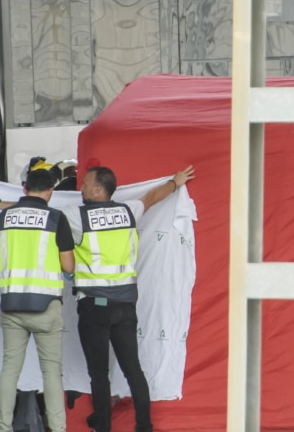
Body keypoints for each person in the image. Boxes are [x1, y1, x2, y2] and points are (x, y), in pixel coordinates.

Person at [68, 164, 195, 432]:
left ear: (98, 188)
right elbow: (151, 198)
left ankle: (102, 424)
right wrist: (175, 182)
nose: (80, 188)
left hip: (94, 307)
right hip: (125, 306)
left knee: (99, 374)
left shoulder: (77, 217)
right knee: (133, 369)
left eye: (85, 183)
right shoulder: (128, 211)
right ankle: (144, 425)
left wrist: (1, 204)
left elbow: (45, 216)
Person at [0, 168, 75, 432]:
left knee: (9, 370)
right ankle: (58, 429)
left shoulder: (3, 217)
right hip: (46, 306)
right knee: (51, 372)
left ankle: (3, 427)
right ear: (50, 192)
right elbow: (68, 266)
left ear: (25, 189)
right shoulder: (56, 218)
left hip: (12, 305)